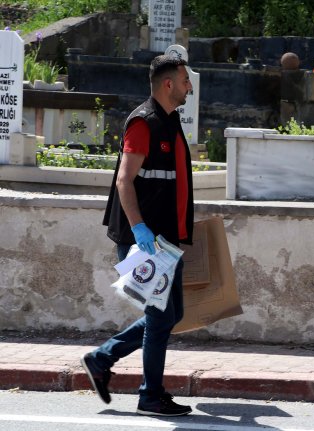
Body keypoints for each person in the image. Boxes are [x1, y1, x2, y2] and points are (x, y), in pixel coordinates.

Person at [80, 55, 195, 417]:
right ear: (168, 85)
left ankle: (101, 359)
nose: (189, 86)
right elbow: (124, 180)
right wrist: (137, 230)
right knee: (161, 315)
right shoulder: (144, 123)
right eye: (185, 80)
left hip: (165, 240)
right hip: (144, 240)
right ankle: (150, 395)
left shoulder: (169, 120)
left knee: (170, 314)